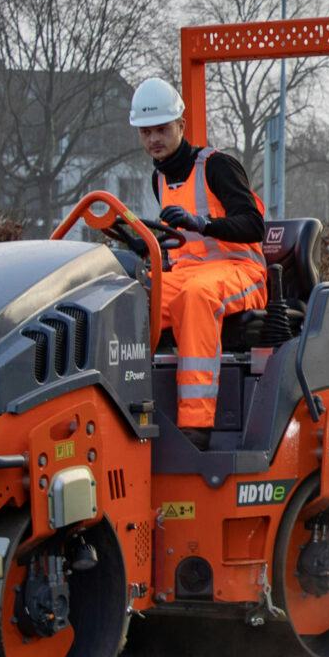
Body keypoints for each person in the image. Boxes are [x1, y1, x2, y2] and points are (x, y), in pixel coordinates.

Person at [126, 77, 268, 435]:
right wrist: (149, 245)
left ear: (181, 125)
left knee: (196, 296)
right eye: (146, 132)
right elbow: (180, 244)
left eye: (162, 129)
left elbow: (254, 225)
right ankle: (129, 409)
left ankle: (196, 423)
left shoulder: (218, 166)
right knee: (132, 298)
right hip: (187, 271)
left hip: (240, 271)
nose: (154, 139)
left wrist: (203, 224)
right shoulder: (159, 179)